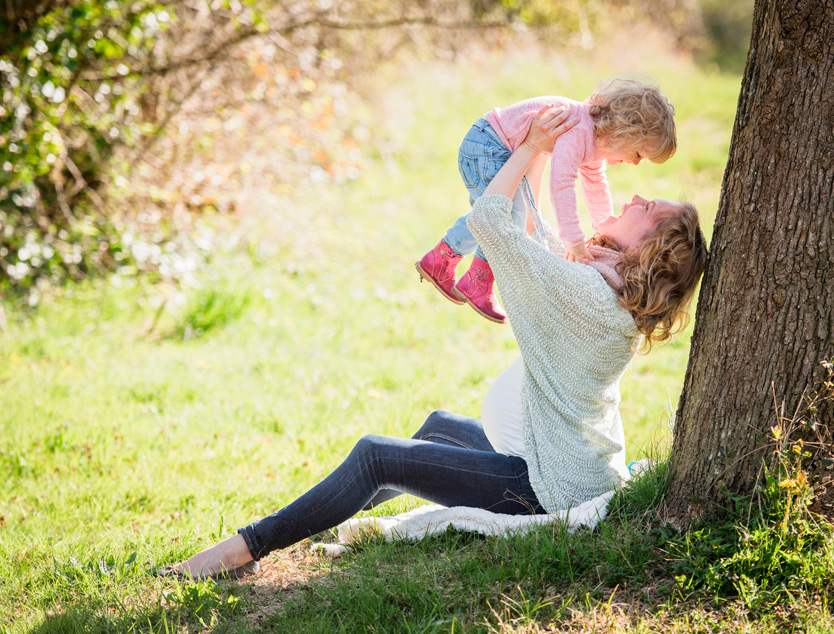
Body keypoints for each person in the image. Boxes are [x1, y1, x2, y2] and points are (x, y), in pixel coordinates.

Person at [156, 105, 706, 581]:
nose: (636, 196)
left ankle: (242, 550)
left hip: (544, 485)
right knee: (438, 427)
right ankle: (318, 518)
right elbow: (545, 239)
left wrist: (533, 147)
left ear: (650, 250)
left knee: (377, 455)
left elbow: (491, 219)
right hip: (562, 461)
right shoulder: (610, 292)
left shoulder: (585, 293)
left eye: (650, 208)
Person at [415, 78, 676, 324]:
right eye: (639, 153)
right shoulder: (581, 132)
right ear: (624, 133)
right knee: (502, 215)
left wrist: (603, 228)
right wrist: (573, 240)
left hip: (493, 145)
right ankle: (476, 280)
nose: (634, 162)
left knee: (501, 214)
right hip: (488, 146)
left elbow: (596, 186)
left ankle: (442, 259)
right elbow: (561, 184)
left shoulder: (595, 141)